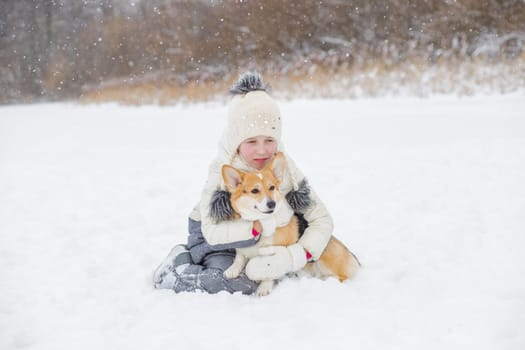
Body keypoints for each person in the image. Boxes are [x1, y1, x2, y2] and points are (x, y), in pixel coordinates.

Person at [153, 72, 334, 294]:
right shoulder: (223, 169)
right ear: (237, 140)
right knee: (237, 282)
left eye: (269, 140)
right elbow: (212, 231)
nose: (262, 150)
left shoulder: (283, 166)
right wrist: (257, 228)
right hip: (216, 234)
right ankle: (177, 269)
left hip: (263, 239)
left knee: (268, 275)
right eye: (251, 141)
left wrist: (298, 255)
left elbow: (321, 219)